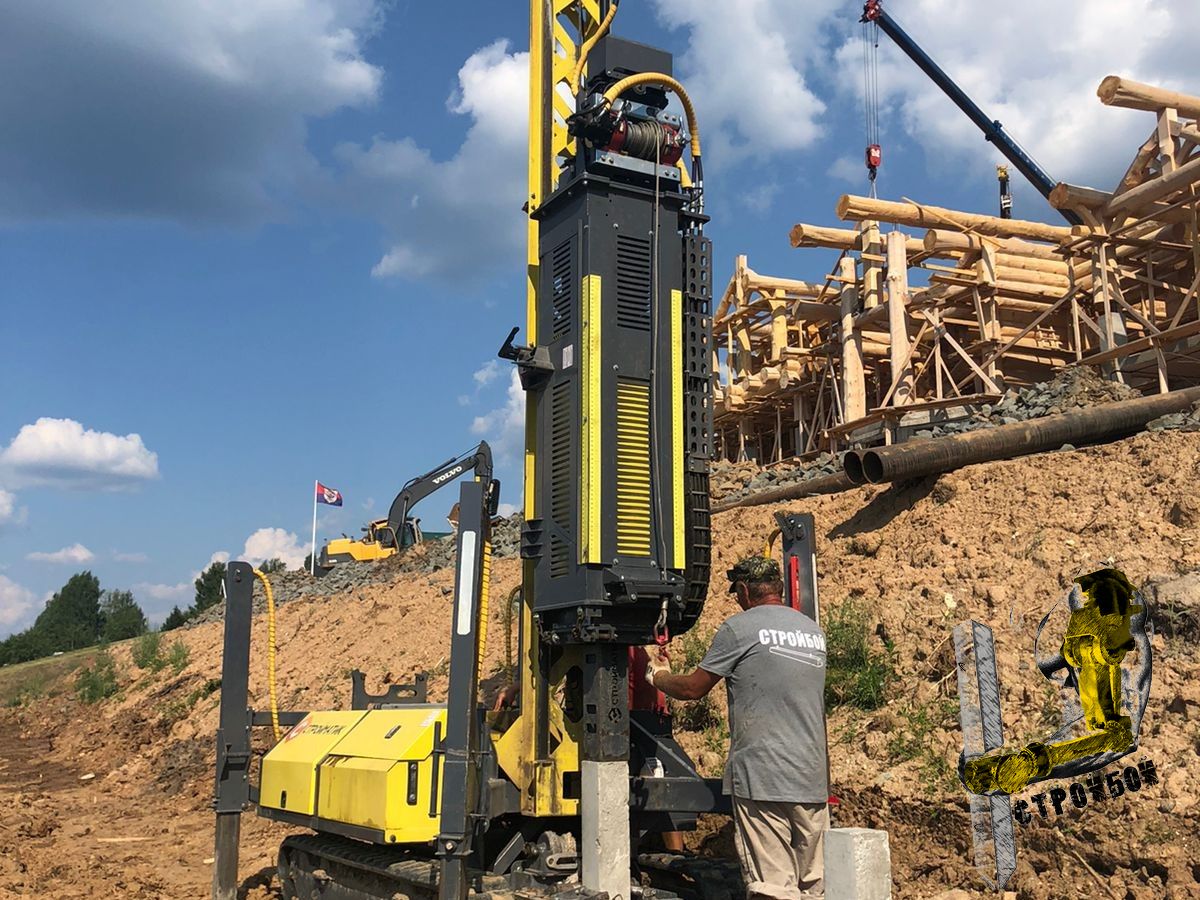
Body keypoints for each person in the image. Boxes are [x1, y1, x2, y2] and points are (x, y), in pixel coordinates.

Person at [645, 555, 829, 900]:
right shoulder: (812, 631)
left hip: (763, 777)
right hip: (812, 778)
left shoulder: (739, 629)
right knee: (815, 885)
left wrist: (659, 676)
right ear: (779, 587)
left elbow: (693, 689)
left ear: (744, 590)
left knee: (773, 887)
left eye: (737, 594)